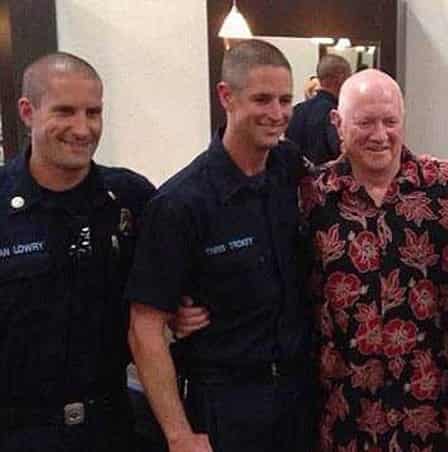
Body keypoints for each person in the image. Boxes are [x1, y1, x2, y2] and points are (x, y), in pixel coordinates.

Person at [126, 40, 313, 452]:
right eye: (262, 99)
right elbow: (145, 327)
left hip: (300, 399)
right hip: (225, 404)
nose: (278, 113)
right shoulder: (181, 203)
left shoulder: (292, 171)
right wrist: (178, 435)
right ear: (226, 96)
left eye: (285, 100)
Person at [298, 69, 448, 451]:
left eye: (390, 121)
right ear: (338, 123)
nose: (380, 135)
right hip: (345, 415)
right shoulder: (311, 198)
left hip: (435, 414)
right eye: (364, 122)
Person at [0, 52, 155, 451]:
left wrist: (185, 310)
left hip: (113, 425)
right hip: (20, 431)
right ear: (27, 111)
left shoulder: (130, 198)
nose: (82, 128)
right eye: (65, 111)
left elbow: (163, 294)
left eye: (94, 112)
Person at [286, 54, 352, 166]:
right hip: (326, 181)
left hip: (293, 180)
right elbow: (341, 155)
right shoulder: (335, 114)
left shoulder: (296, 110)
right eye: (349, 77)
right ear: (341, 78)